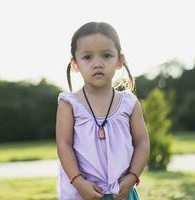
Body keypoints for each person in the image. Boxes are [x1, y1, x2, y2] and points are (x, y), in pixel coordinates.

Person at [55, 22, 150, 200]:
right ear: (75, 64)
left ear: (120, 61)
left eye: (106, 55)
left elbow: (142, 143)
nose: (97, 64)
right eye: (87, 57)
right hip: (84, 193)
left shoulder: (129, 103)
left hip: (121, 192)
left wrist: (132, 177)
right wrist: (78, 182)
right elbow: (63, 145)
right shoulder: (69, 104)